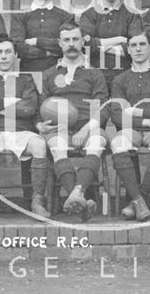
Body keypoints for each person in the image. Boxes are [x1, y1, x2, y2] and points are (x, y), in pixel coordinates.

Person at [0, 35, 50, 221]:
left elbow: (29, 108)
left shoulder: (26, 79)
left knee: (39, 145)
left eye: (8, 52)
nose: (4, 56)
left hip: (21, 130)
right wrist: (12, 102)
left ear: (15, 56)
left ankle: (37, 202)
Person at [37, 22, 109, 221]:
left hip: (87, 125)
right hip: (58, 128)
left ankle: (76, 193)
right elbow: (39, 107)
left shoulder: (95, 73)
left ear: (82, 41)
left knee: (97, 142)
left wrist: (85, 130)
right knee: (56, 145)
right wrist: (40, 125)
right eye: (66, 40)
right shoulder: (49, 74)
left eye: (75, 39)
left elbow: (103, 108)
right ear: (60, 43)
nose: (71, 44)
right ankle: (80, 198)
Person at [109, 31, 150, 221]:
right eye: (133, 45)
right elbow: (117, 116)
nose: (138, 49)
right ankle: (140, 201)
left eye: (142, 44)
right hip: (131, 130)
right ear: (128, 51)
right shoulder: (120, 80)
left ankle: (136, 202)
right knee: (118, 144)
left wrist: (137, 113)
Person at [80, 0, 143, 90]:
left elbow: (136, 46)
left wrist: (98, 45)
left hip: (126, 77)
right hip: (94, 78)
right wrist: (120, 39)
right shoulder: (88, 15)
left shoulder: (132, 15)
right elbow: (85, 45)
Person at [10, 0, 74, 72]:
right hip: (29, 75)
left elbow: (67, 45)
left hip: (59, 74)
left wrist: (36, 41)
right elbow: (17, 46)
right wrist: (46, 53)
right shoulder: (20, 16)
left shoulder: (65, 16)